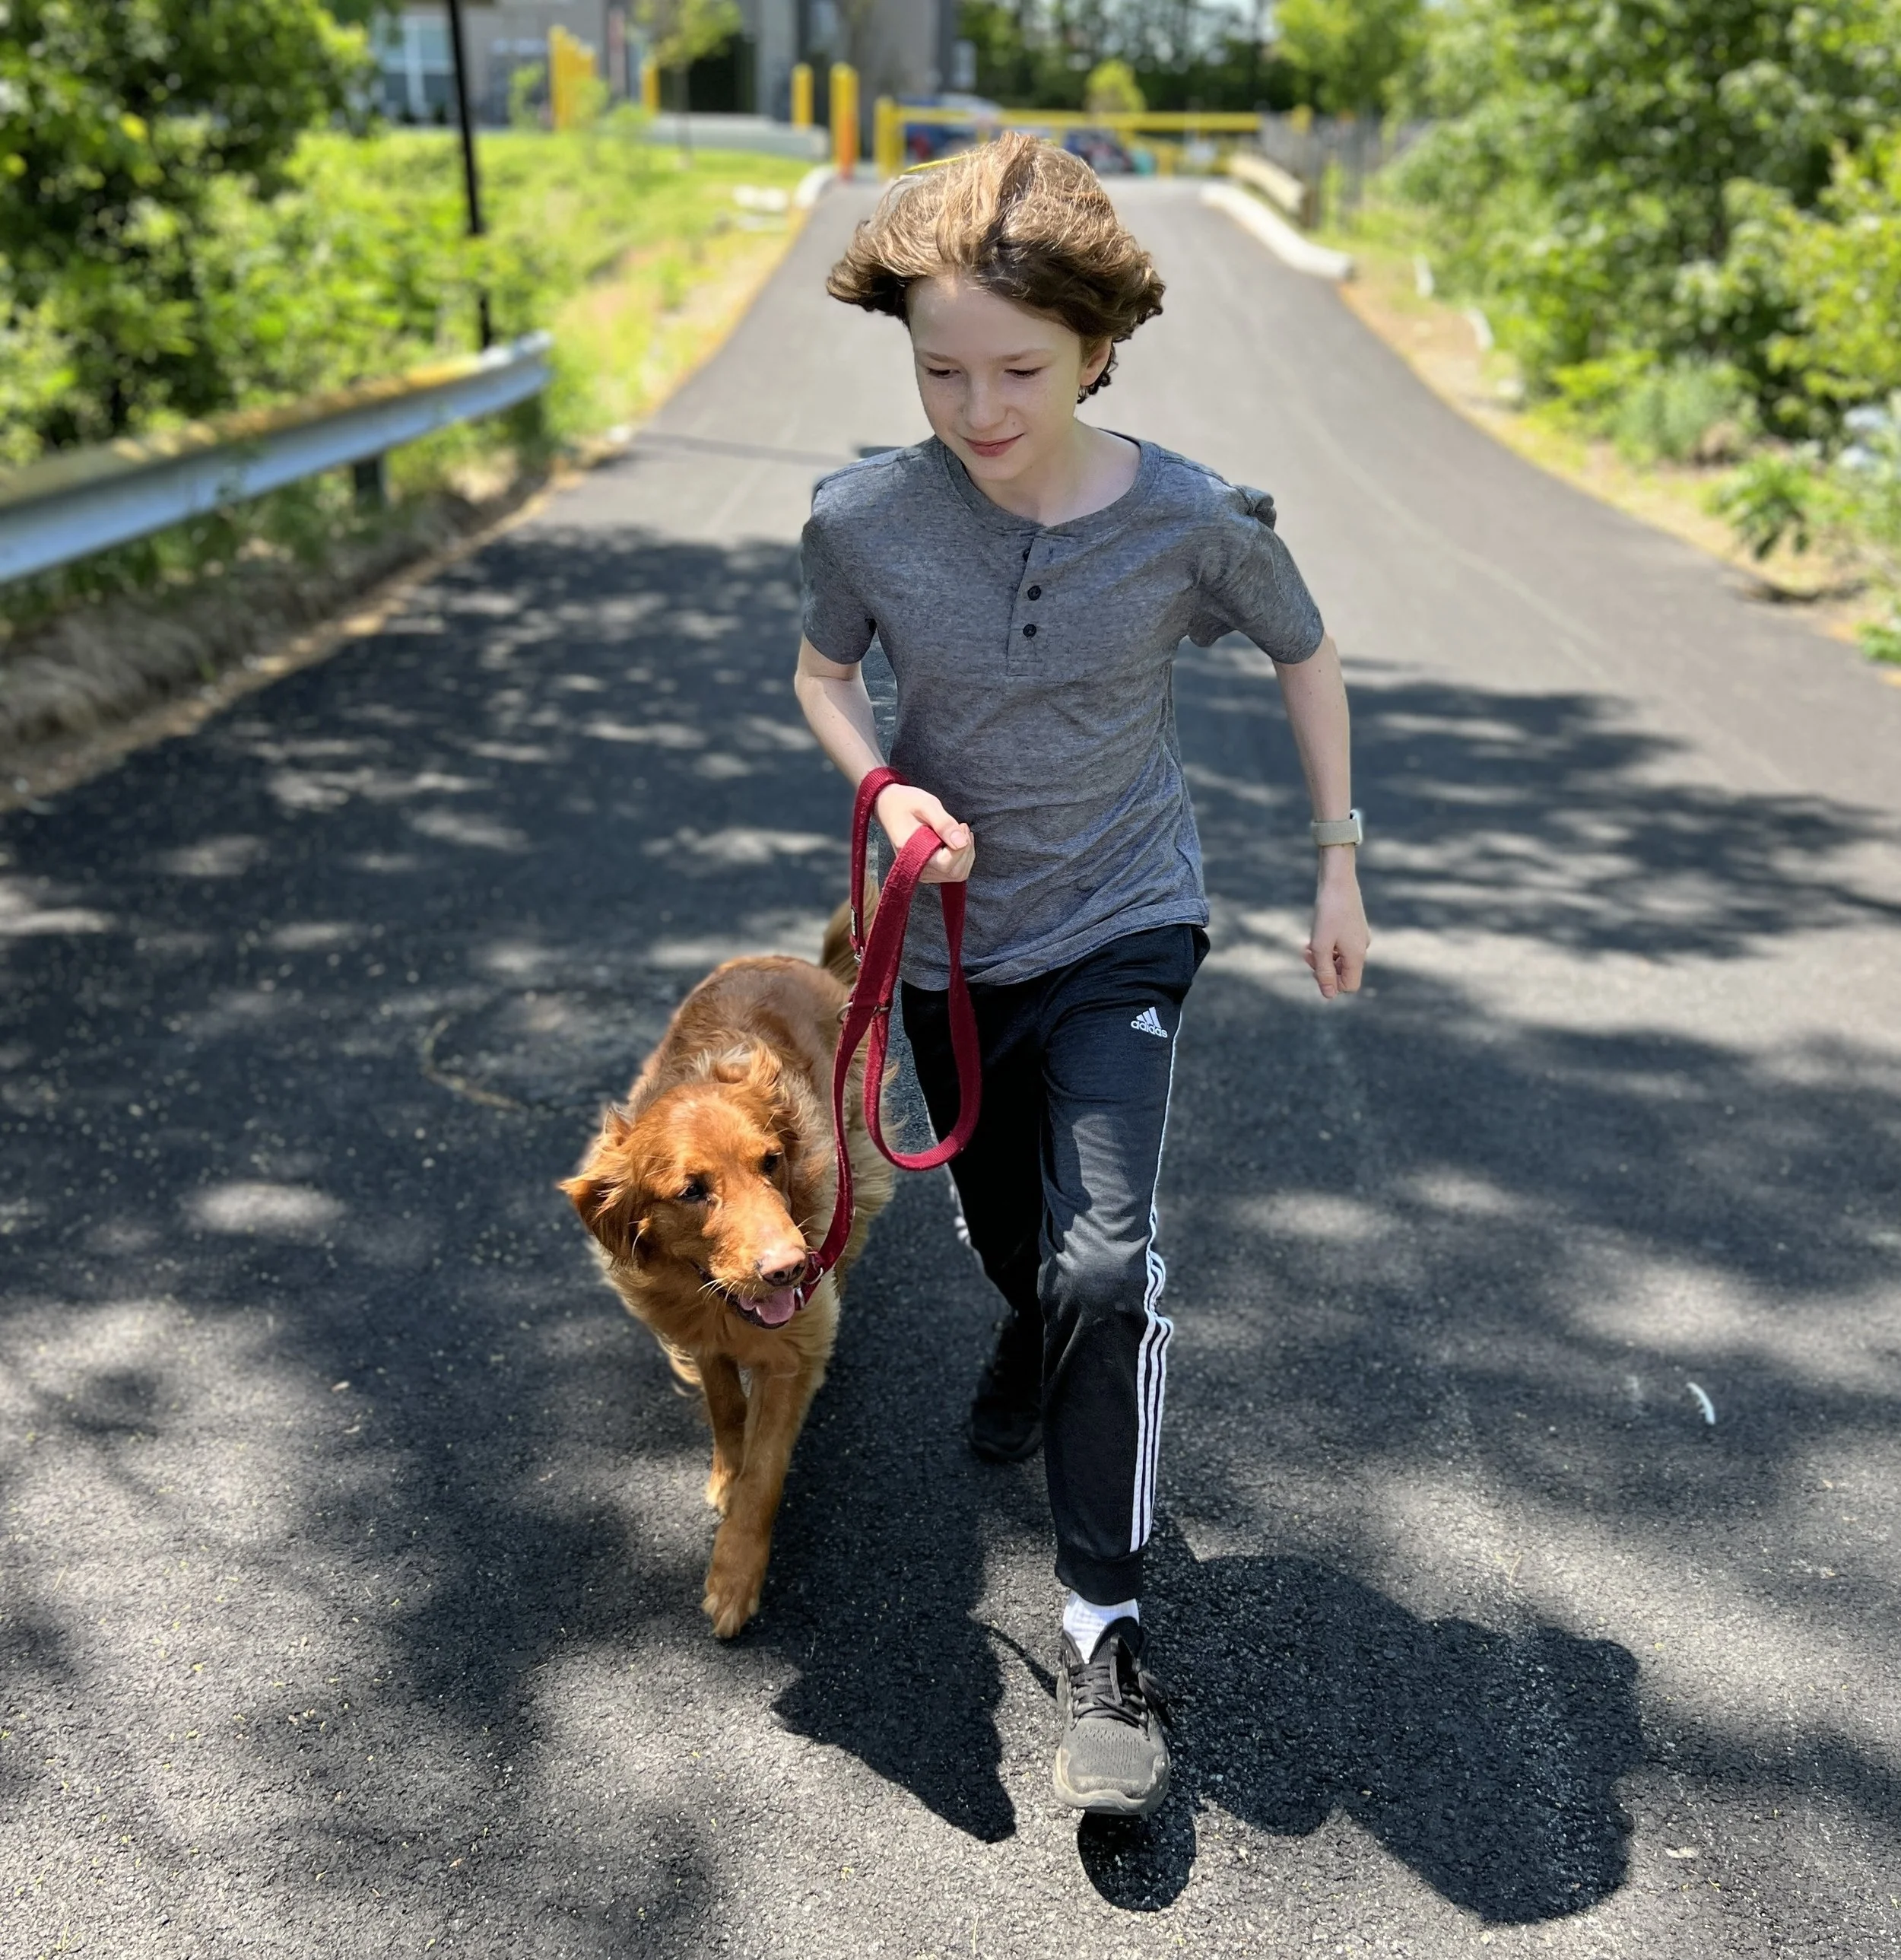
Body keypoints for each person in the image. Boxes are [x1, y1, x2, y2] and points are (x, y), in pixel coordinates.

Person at [792, 135, 1369, 1818]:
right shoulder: (864, 518)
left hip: (1125, 918)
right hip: (949, 949)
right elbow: (823, 676)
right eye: (939, 367)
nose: (977, 407)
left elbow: (1306, 648)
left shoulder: (1191, 521)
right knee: (1008, 1240)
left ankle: (1107, 1633)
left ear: (1100, 344)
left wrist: (1336, 859)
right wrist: (881, 781)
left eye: (1019, 370)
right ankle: (1022, 1328)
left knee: (1102, 1259)